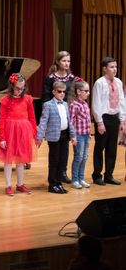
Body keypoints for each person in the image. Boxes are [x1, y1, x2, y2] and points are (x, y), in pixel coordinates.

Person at [0, 73, 37, 196]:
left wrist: (34, 133)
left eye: (22, 88)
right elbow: (1, 119)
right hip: (10, 132)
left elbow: (32, 118)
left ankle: (20, 185)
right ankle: (8, 185)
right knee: (8, 160)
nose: (20, 91)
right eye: (17, 88)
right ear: (11, 86)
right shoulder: (6, 100)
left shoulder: (28, 99)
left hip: (23, 132)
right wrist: (2, 138)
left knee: (21, 160)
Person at [42, 51, 78, 183]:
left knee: (65, 150)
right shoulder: (50, 78)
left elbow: (73, 95)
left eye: (68, 61)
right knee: (55, 151)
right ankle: (53, 176)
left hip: (66, 113)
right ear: (58, 62)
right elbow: (46, 97)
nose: (67, 63)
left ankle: (62, 173)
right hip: (54, 113)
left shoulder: (71, 78)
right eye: (64, 61)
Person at [36, 81, 77, 194]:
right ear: (54, 92)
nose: (62, 94)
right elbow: (43, 121)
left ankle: (59, 183)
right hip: (54, 137)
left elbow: (69, 121)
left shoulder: (65, 104)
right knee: (54, 161)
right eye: (59, 91)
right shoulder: (48, 105)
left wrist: (73, 135)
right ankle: (52, 184)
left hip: (65, 135)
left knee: (63, 160)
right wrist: (39, 137)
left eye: (64, 92)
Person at [91, 56, 126, 186]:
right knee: (100, 147)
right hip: (104, 118)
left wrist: (122, 120)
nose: (115, 69)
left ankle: (109, 175)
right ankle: (97, 175)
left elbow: (122, 101)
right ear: (105, 69)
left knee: (112, 149)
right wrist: (99, 122)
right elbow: (96, 103)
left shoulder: (119, 82)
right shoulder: (99, 83)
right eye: (112, 67)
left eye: (115, 67)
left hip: (114, 117)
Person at [69, 80, 92, 189]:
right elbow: (71, 121)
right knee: (79, 156)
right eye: (86, 91)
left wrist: (89, 133)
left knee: (85, 157)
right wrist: (73, 136)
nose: (88, 93)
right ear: (78, 91)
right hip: (78, 135)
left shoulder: (85, 104)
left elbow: (87, 120)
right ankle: (75, 179)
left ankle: (81, 178)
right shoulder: (74, 105)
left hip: (86, 134)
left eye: (88, 91)